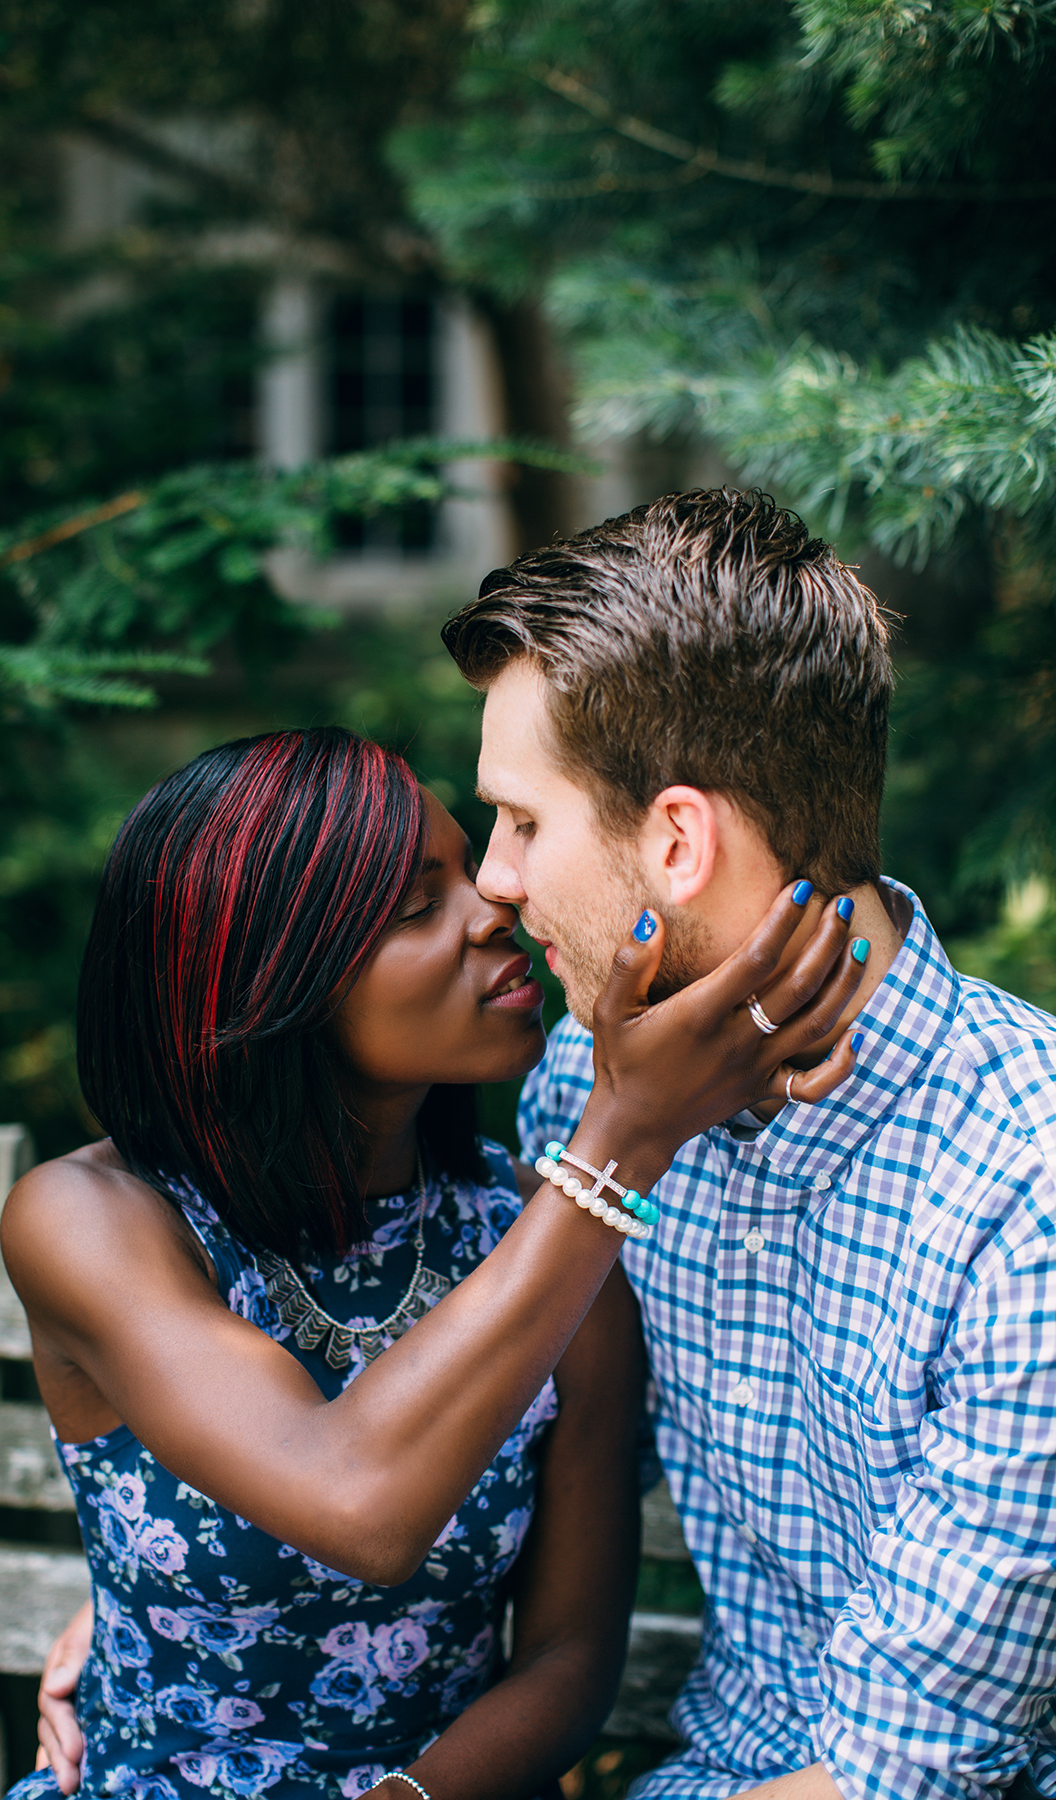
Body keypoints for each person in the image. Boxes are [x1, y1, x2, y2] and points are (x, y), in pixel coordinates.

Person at [8, 723, 862, 1800]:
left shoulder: (539, 1240)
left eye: (473, 867)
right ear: (272, 977)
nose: (495, 907)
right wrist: (623, 1138)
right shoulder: (94, 1220)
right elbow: (358, 1504)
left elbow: (566, 1659)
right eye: (420, 904)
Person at [440, 488, 1056, 1800]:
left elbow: (900, 1778)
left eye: (526, 823)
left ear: (677, 842)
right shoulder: (592, 1095)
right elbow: (497, 1464)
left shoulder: (1028, 1190)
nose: (495, 881)